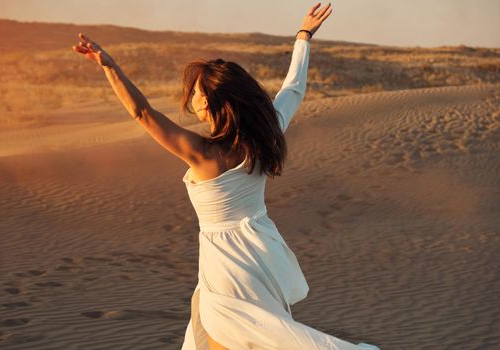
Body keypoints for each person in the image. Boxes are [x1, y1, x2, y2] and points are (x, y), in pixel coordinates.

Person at [73, 2, 380, 349]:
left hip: (227, 266)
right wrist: (303, 36)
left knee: (234, 338)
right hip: (263, 254)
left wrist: (110, 67)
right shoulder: (265, 136)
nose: (194, 103)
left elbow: (142, 112)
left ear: (215, 103)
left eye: (198, 96)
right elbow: (293, 90)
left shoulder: (203, 154)